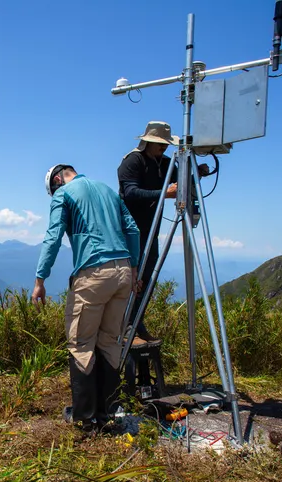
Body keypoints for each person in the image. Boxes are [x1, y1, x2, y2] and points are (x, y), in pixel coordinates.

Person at [33, 163, 142, 432]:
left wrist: (40, 279)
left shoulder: (64, 194)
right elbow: (133, 230)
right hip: (123, 272)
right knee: (109, 342)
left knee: (81, 343)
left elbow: (53, 237)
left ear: (57, 179)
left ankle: (84, 418)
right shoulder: (108, 191)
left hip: (93, 273)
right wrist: (134, 267)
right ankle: (107, 414)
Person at [116, 121, 213, 345]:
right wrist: (164, 193)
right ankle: (125, 325)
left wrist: (197, 173)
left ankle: (136, 322)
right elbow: (129, 193)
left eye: (165, 145)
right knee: (132, 277)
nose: (164, 148)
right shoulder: (133, 161)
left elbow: (179, 181)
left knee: (147, 274)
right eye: (160, 144)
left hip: (151, 227)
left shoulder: (165, 163)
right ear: (148, 142)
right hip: (130, 229)